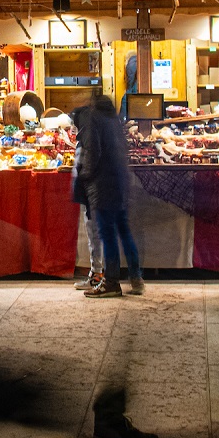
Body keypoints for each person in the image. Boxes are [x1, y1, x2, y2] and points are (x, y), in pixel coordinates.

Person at [78, 95, 143, 297]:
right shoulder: (115, 122)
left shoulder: (94, 121)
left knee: (108, 235)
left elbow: (93, 153)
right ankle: (136, 278)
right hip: (121, 182)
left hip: (104, 185)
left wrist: (85, 176)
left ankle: (112, 282)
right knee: (124, 231)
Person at [70, 102, 107, 293]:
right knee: (96, 234)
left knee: (95, 234)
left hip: (93, 193)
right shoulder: (92, 134)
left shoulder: (89, 137)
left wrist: (84, 182)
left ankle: (97, 275)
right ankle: (97, 273)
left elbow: (89, 165)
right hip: (93, 192)